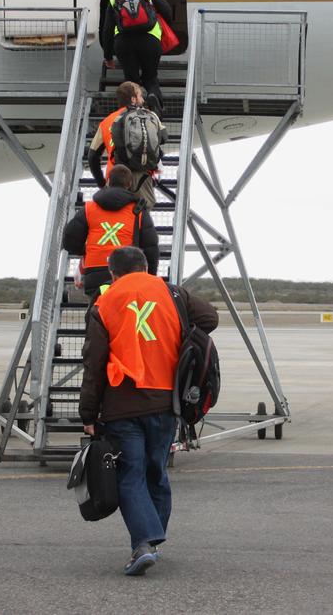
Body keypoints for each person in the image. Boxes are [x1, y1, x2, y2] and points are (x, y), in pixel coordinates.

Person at [79, 245, 219, 576]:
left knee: (130, 475)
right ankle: (152, 543)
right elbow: (210, 318)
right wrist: (179, 332)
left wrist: (88, 415)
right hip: (166, 402)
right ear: (146, 266)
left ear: (113, 273)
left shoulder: (105, 301)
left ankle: (142, 543)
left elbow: (94, 363)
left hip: (122, 404)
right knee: (156, 471)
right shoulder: (171, 292)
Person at [61, 164, 160, 298]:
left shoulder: (89, 208)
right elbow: (151, 247)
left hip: (95, 272)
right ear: (130, 184)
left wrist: (87, 250)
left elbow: (69, 240)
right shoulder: (138, 211)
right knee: (124, 311)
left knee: (98, 311)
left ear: (108, 181)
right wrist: (150, 277)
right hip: (127, 271)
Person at [102, 0, 174, 113]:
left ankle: (134, 114)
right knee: (150, 77)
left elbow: (107, 29)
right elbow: (168, 12)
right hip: (150, 40)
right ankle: (154, 99)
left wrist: (108, 56)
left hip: (124, 43)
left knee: (131, 80)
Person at [88, 80, 164, 212]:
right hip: (141, 178)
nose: (143, 99)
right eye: (140, 95)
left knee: (117, 220)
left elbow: (92, 156)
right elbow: (163, 137)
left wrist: (102, 183)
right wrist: (156, 113)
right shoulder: (147, 116)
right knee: (140, 221)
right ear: (133, 99)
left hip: (115, 179)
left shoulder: (106, 122)